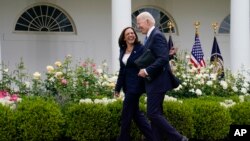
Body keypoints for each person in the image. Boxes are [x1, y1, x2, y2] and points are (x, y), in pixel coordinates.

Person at [136, 12, 188, 141]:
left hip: (157, 82)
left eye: (139, 23)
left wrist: (147, 71)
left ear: (147, 21)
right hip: (153, 82)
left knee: (152, 114)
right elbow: (158, 56)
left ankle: (179, 138)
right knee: (156, 114)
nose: (138, 26)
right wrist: (168, 55)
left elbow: (162, 59)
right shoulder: (150, 36)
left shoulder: (156, 35)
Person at [114, 27, 154, 141]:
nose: (131, 35)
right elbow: (122, 71)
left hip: (136, 86)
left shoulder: (141, 48)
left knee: (126, 114)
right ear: (124, 37)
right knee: (136, 115)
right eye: (128, 34)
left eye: (132, 33)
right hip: (127, 87)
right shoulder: (122, 50)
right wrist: (117, 88)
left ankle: (123, 138)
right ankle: (154, 137)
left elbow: (151, 60)